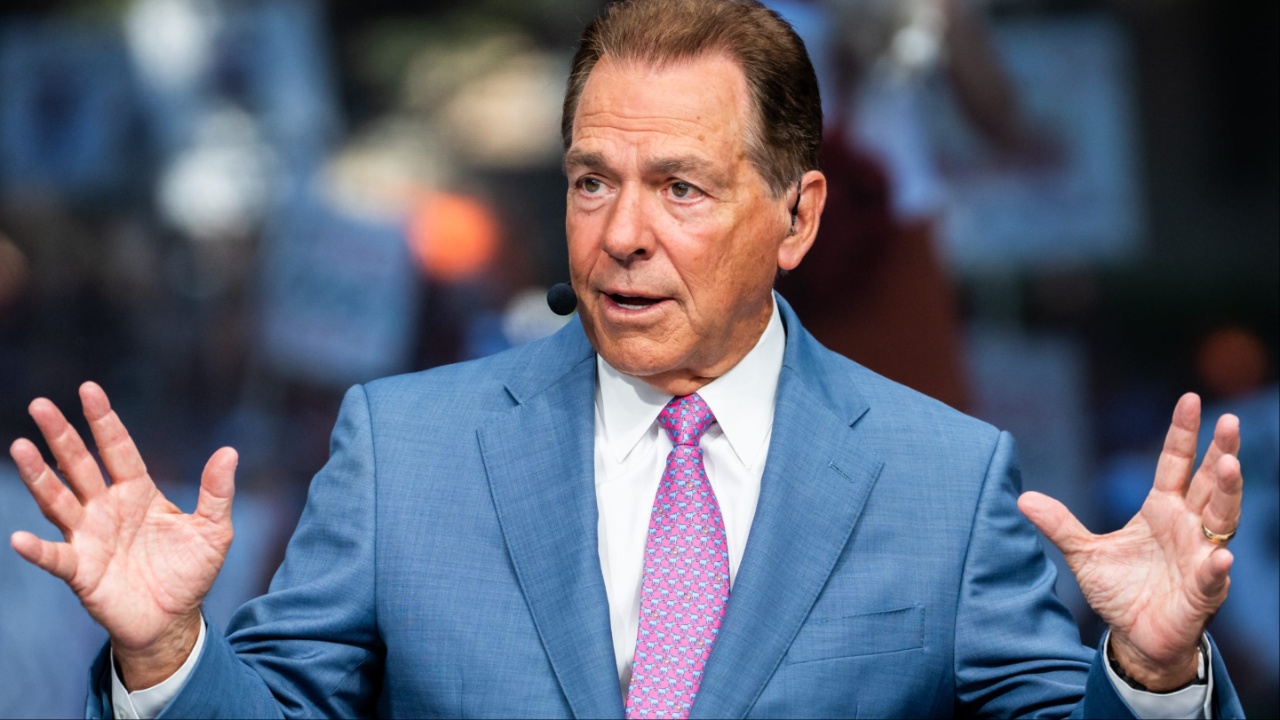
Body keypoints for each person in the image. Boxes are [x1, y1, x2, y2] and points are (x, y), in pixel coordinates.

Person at [8, 0, 1245, 717]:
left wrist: (1150, 676)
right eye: (591, 181)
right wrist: (168, 658)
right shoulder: (405, 451)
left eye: (680, 188)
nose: (621, 234)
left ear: (797, 218)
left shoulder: (944, 479)